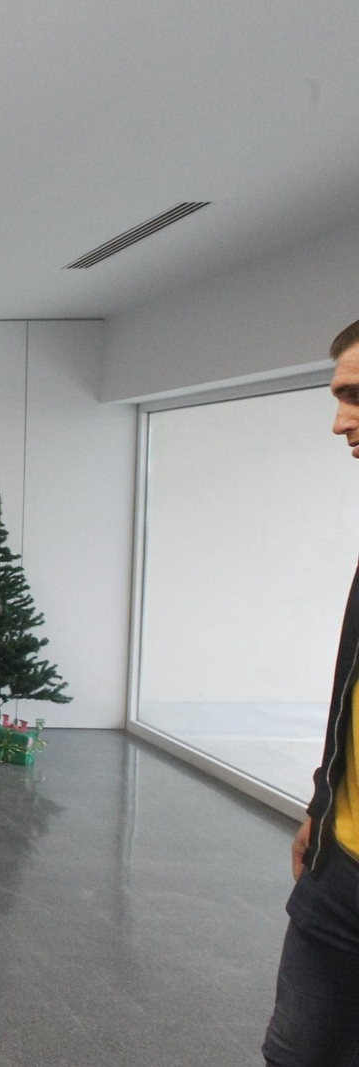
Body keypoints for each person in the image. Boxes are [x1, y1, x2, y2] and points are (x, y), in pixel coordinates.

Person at [263, 317, 359, 1066]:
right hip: (339, 867)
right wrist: (323, 803)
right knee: (296, 1053)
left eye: (355, 395)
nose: (339, 422)